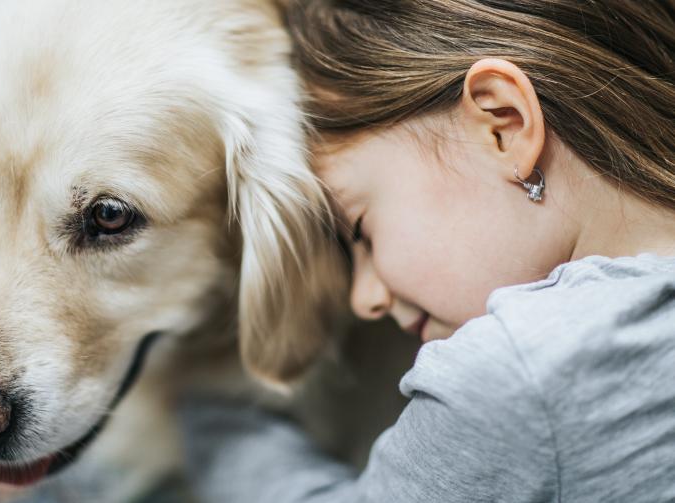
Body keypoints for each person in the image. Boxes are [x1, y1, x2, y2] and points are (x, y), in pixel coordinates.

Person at [180, 1, 675, 501]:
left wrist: (202, 412)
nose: (365, 299)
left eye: (360, 231)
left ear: (504, 126)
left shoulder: (513, 372)